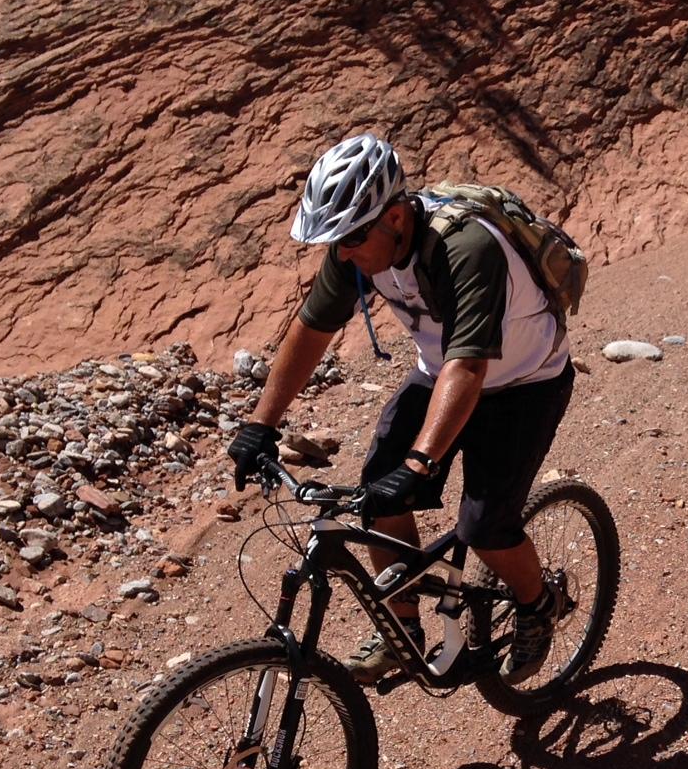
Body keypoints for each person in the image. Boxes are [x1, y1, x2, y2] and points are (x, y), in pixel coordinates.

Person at [226, 134, 576, 685]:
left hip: (525, 381)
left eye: (352, 236)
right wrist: (260, 424)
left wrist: (419, 464)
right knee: (376, 493)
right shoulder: (357, 248)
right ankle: (404, 629)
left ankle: (538, 604)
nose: (342, 251)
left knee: (485, 525)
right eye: (335, 239)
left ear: (394, 216)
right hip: (442, 372)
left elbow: (470, 368)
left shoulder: (466, 247)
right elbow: (312, 329)